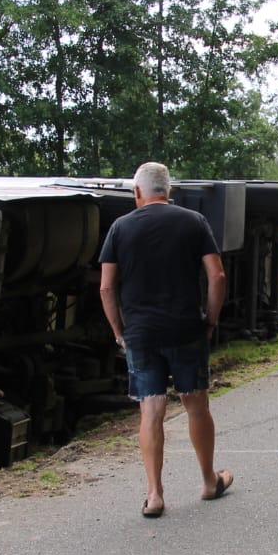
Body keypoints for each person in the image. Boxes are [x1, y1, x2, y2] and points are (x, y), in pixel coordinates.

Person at [98, 162, 232, 519]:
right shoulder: (193, 222)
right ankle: (208, 481)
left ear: (137, 193)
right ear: (168, 192)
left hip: (141, 333)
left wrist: (118, 332)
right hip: (186, 328)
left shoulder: (119, 228)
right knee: (196, 404)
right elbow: (217, 275)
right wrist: (210, 319)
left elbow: (107, 286)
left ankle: (155, 495)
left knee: (151, 410)